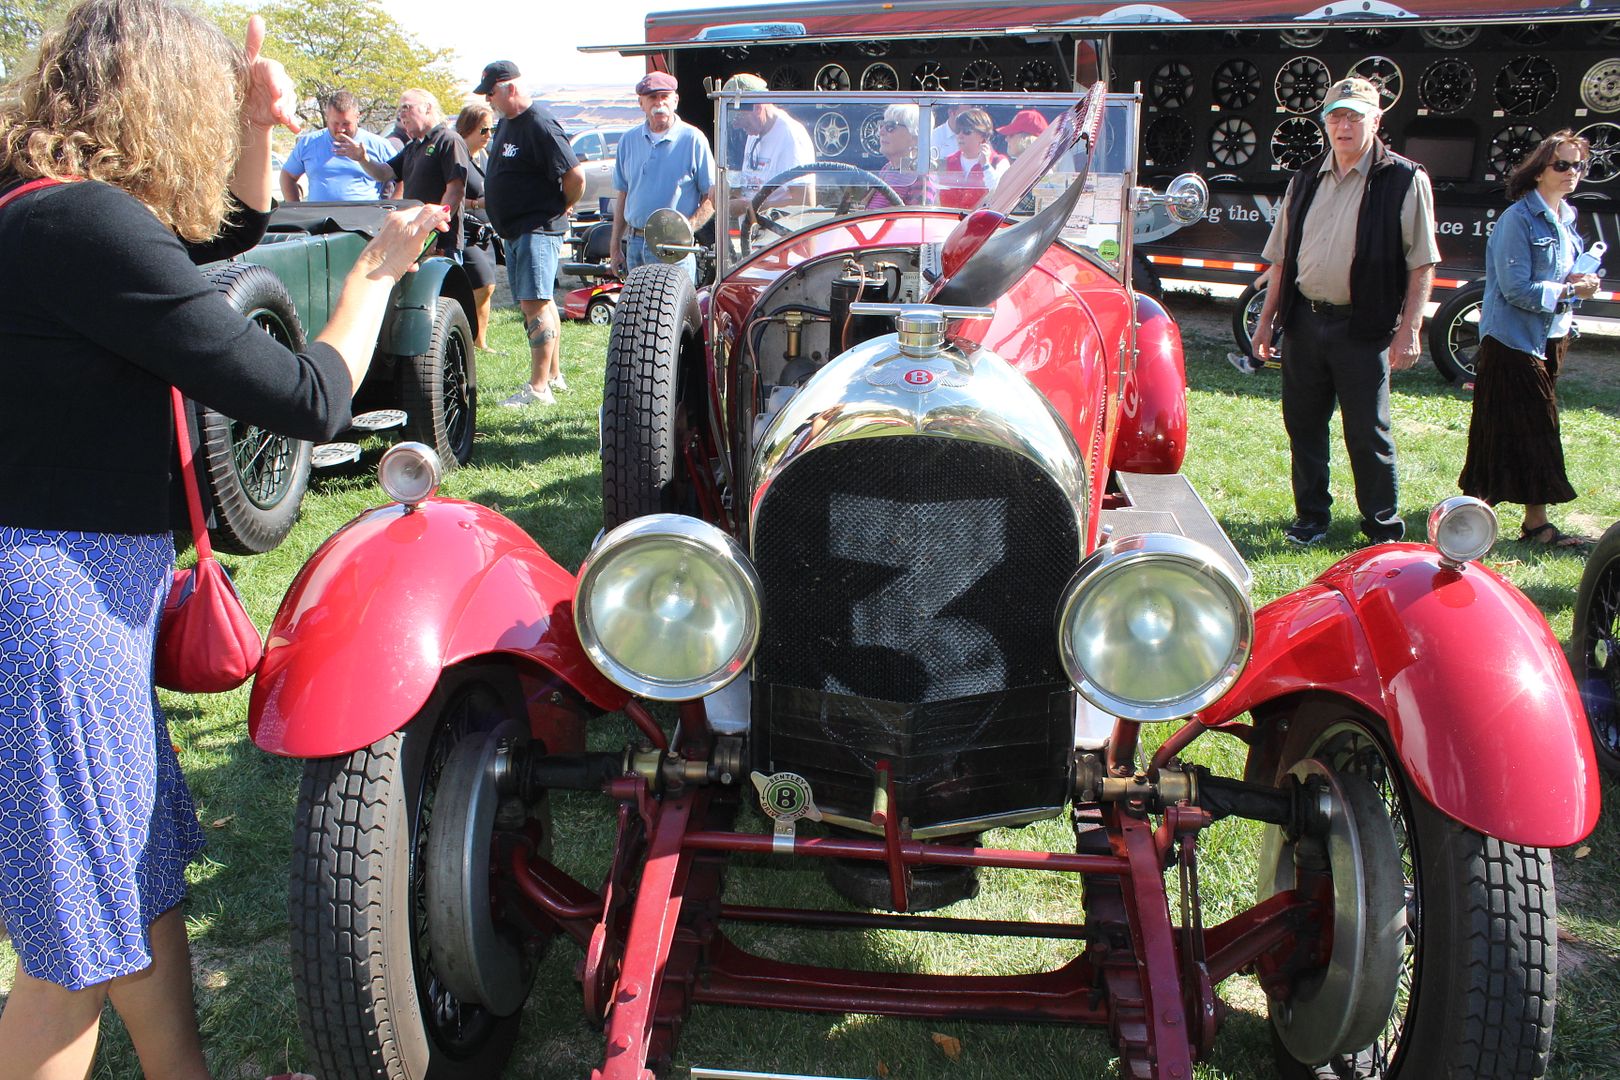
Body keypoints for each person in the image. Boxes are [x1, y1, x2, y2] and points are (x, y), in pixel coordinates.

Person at [0, 4, 447, 1078]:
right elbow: (306, 396)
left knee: (130, 878)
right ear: (163, 97)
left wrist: (258, 127)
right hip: (54, 594)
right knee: (73, 941)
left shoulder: (43, 211)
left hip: (62, 582)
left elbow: (218, 238)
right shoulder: (88, 229)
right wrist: (376, 278)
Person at [1250, 76, 1440, 546]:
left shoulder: (1403, 179)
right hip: (1305, 324)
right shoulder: (1305, 178)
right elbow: (1279, 260)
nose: (1344, 126)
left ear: (1376, 120)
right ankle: (1311, 518)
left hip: (1364, 326)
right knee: (1304, 427)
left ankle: (1381, 528)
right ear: (1324, 124)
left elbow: (1422, 264)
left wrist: (1410, 329)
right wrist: (1265, 320)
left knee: (1368, 433)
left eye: (1355, 116)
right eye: (1335, 116)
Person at [1458, 130, 1601, 546]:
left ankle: (1477, 515)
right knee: (1529, 427)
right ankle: (1522, 524)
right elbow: (1516, 288)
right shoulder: (1517, 219)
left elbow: (1554, 277)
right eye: (1562, 165)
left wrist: (1575, 279)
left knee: (1507, 429)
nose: (1572, 172)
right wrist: (1571, 290)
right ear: (1539, 171)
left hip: (1550, 338)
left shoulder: (1568, 218)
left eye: (1578, 165)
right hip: (1512, 341)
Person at [477, 60, 584, 408]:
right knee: (542, 301)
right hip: (517, 229)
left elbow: (575, 176)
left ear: (508, 87)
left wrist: (561, 205)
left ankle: (538, 389)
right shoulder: (508, 123)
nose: (489, 101)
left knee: (533, 304)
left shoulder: (539, 124)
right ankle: (552, 375)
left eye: (491, 93)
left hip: (537, 227)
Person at [609, 71, 714, 282]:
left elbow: (712, 196)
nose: (659, 103)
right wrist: (614, 248)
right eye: (652, 98)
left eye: (664, 96)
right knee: (638, 313)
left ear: (675, 100)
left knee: (673, 312)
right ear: (641, 103)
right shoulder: (628, 141)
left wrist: (686, 229)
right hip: (635, 243)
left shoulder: (693, 139)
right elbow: (623, 195)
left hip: (673, 247)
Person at [343, 88, 468, 260]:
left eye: (406, 107)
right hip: (415, 238)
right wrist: (363, 158)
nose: (401, 115)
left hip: (440, 243)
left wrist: (433, 228)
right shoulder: (413, 146)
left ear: (427, 108)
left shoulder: (448, 140)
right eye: (399, 110)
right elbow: (384, 173)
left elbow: (455, 190)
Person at [725, 73, 815, 226]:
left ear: (758, 107)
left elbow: (805, 204)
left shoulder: (791, 136)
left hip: (781, 240)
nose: (736, 125)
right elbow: (750, 185)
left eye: (740, 117)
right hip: (755, 240)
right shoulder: (755, 131)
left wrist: (751, 207)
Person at [278, 90, 395, 202]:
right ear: (327, 117)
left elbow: (403, 175)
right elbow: (288, 176)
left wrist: (395, 208)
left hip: (365, 219)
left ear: (357, 117)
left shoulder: (378, 145)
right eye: (335, 123)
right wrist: (296, 208)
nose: (341, 129)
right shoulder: (308, 143)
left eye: (346, 123)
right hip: (320, 219)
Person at [455, 102, 498, 349]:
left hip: (484, 232)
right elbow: (450, 192)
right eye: (483, 130)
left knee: (488, 286)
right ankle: (468, 338)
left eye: (490, 130)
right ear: (468, 127)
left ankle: (480, 342)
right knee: (483, 284)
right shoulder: (457, 153)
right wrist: (475, 204)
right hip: (465, 230)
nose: (488, 136)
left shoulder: (481, 156)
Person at [939, 107, 1008, 211]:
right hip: (948, 222)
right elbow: (935, 200)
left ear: (983, 136)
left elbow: (999, 193)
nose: (960, 136)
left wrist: (986, 166)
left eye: (967, 131)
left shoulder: (999, 162)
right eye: (958, 131)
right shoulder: (947, 162)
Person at [865, 104, 927, 209]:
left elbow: (916, 220)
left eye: (890, 126)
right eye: (882, 125)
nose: (881, 132)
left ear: (914, 137)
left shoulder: (922, 175)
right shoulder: (887, 169)